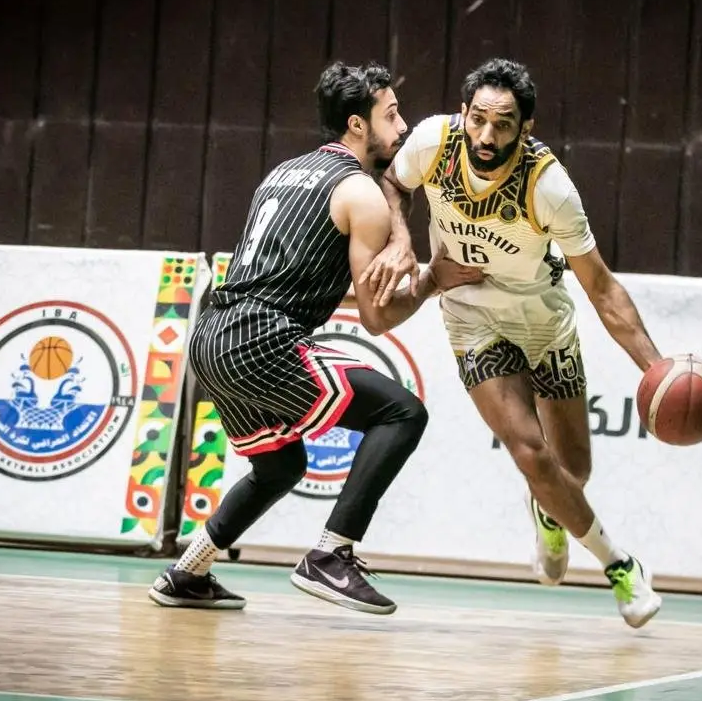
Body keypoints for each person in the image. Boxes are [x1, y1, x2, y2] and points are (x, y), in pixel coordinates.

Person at [149, 60, 472, 616]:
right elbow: (376, 317)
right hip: (259, 338)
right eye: (391, 115)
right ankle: (331, 555)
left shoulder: (282, 172)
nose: (402, 127)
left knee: (280, 466)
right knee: (402, 413)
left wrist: (400, 243)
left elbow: (291, 270)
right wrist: (431, 281)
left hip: (210, 337)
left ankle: (187, 571)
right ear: (357, 125)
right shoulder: (361, 194)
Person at [363, 58, 665, 628]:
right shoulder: (432, 142)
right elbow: (391, 184)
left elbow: (601, 287)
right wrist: (403, 241)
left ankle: (549, 511)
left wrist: (658, 369)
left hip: (542, 320)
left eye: (502, 124)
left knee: (572, 471)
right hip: (472, 316)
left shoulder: (550, 187)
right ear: (463, 113)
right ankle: (621, 565)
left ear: (525, 129)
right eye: (477, 119)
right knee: (530, 450)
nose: (485, 135)